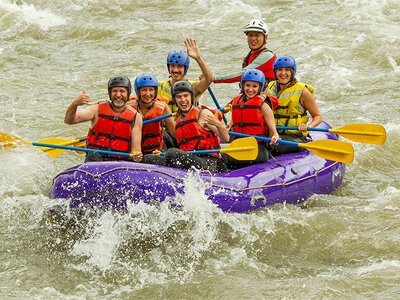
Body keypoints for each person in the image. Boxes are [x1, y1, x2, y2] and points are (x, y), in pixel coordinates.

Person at [150, 81, 229, 173]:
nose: (183, 100)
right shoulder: (179, 120)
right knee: (150, 158)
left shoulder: (203, 114)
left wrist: (218, 124)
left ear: (191, 97)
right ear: (175, 100)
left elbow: (226, 138)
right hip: (191, 160)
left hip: (210, 162)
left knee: (172, 153)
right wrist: (161, 154)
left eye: (185, 96)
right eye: (179, 97)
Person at [64, 76, 143, 162]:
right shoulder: (96, 109)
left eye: (122, 91)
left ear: (128, 93)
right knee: (93, 156)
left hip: (119, 162)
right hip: (96, 158)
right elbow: (69, 120)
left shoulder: (136, 117)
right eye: (114, 91)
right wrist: (75, 104)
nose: (118, 95)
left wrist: (137, 156)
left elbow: (135, 150)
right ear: (110, 93)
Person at [223, 69, 279, 169]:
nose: (250, 89)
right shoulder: (237, 101)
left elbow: (274, 132)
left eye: (254, 86)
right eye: (248, 85)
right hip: (240, 143)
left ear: (260, 87)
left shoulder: (264, 106)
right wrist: (229, 126)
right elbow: (235, 122)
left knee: (224, 157)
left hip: (257, 148)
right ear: (243, 85)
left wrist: (274, 136)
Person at [266, 56, 322, 155]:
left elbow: (317, 117)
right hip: (274, 133)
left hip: (295, 137)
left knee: (270, 145)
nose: (283, 73)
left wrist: (308, 126)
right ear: (275, 72)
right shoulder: (269, 88)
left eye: (287, 70)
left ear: (292, 72)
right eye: (280, 70)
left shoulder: (303, 91)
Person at [213, 19, 276, 86]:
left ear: (265, 37)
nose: (253, 38)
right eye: (250, 35)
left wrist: (214, 78)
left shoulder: (267, 56)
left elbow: (242, 75)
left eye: (257, 35)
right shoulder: (248, 57)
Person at [158, 38, 214, 113]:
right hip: (166, 124)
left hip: (185, 123)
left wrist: (198, 58)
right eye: (172, 66)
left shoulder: (193, 87)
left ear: (185, 68)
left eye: (179, 66)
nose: (175, 70)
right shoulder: (159, 87)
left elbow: (209, 79)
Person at [127, 74, 176, 158]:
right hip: (135, 151)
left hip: (156, 150)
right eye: (144, 90)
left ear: (155, 91)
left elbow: (174, 132)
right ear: (138, 91)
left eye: (151, 90)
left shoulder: (163, 107)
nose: (148, 94)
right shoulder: (128, 107)